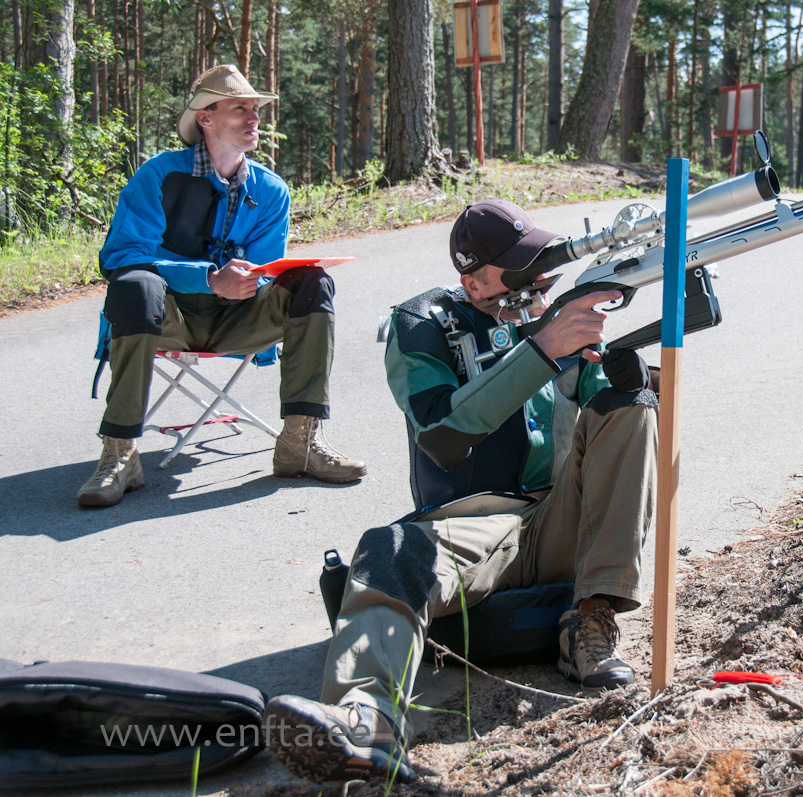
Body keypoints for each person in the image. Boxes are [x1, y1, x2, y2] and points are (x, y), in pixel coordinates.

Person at [263, 200, 658, 784]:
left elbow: (622, 433)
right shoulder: (421, 323)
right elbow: (442, 435)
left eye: (540, 266)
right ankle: (363, 719)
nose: (538, 280)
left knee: (635, 408)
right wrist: (543, 349)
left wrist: (636, 377)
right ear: (471, 280)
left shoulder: (551, 317)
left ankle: (591, 623)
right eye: (518, 269)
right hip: (469, 526)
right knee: (387, 548)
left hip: (563, 516)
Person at [78, 64, 365, 509]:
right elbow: (122, 256)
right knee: (135, 285)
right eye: (239, 109)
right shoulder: (157, 175)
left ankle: (299, 445)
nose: (254, 118)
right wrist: (209, 279)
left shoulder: (271, 190)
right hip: (165, 317)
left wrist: (254, 279)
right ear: (205, 118)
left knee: (312, 282)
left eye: (255, 109)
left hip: (238, 320)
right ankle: (119, 454)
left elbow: (269, 268)